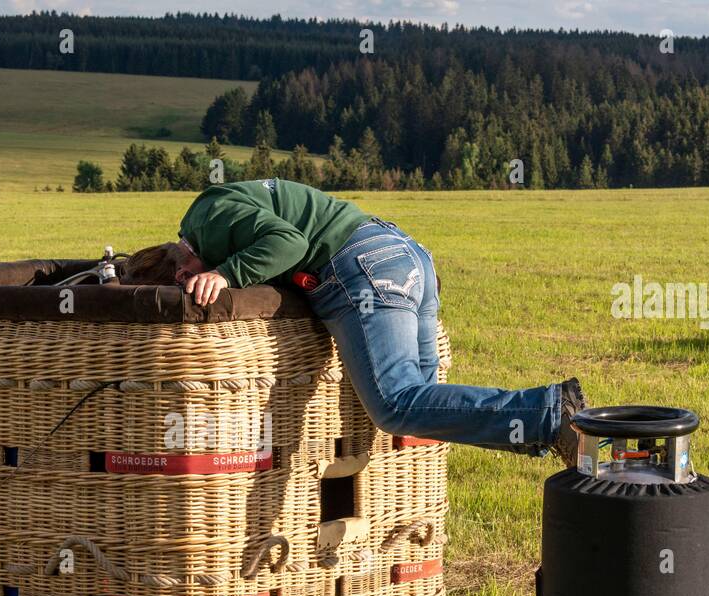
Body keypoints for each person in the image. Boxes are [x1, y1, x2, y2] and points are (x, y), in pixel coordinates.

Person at [122, 178, 587, 463]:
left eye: (186, 282)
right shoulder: (221, 209)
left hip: (363, 266)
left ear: (182, 269)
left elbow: (289, 244)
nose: (193, 285)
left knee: (395, 404)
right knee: (425, 410)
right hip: (403, 255)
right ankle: (553, 423)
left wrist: (226, 275)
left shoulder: (209, 218)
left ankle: (548, 412)